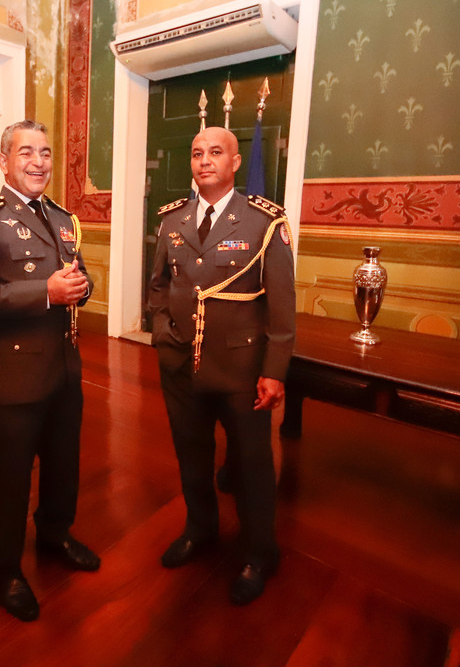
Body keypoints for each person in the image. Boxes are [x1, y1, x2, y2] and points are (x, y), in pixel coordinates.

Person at [0, 120, 99, 622]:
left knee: (63, 467)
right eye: (26, 153)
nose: (39, 163)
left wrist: (82, 286)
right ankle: (3, 569)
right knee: (10, 481)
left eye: (46, 153)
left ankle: (55, 534)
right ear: (4, 161)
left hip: (62, 370)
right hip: (12, 377)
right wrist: (46, 293)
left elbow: (73, 275)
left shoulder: (62, 218)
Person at [146, 125, 296, 606]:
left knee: (251, 466)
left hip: (240, 368)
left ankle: (260, 553)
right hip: (180, 365)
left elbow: (282, 307)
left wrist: (274, 371)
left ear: (235, 163)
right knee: (191, 455)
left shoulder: (263, 221)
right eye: (196, 153)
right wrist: (162, 333)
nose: (204, 160)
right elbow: (157, 286)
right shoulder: (172, 219)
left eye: (215, 152)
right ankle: (201, 528)